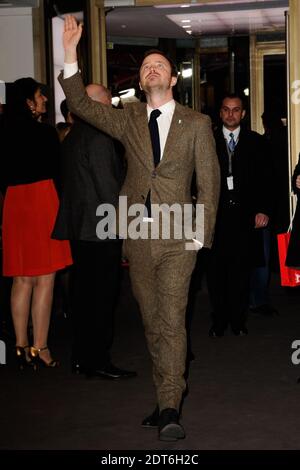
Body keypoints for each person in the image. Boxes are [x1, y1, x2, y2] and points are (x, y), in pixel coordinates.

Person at [59, 15, 220, 442]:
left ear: (173, 78)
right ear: (141, 78)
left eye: (159, 64)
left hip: (177, 236)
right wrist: (70, 54)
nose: (151, 68)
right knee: (151, 321)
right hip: (138, 234)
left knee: (171, 318)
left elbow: (209, 185)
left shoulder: (197, 124)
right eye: (146, 64)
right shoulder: (128, 118)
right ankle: (163, 396)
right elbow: (81, 105)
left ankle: (170, 404)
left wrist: (200, 234)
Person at [52, 83, 136, 381]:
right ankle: (98, 360)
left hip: (79, 228)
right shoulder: (100, 138)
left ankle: (81, 356)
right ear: (100, 106)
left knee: (82, 296)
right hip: (101, 229)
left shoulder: (72, 136)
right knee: (101, 297)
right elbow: (108, 190)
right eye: (109, 104)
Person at [0, 78, 72, 369]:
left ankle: (19, 347)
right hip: (43, 201)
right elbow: (58, 173)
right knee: (45, 279)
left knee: (21, 278)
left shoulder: (2, 132)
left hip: (15, 204)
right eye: (41, 96)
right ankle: (40, 347)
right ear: (29, 102)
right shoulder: (44, 134)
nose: (44, 100)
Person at [207, 93, 271, 337]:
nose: (231, 114)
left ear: (243, 114)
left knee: (241, 272)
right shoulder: (208, 141)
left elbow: (268, 179)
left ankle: (238, 320)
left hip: (246, 217)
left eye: (236, 110)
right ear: (220, 113)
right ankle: (219, 320)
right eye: (226, 110)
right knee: (216, 272)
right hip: (216, 217)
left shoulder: (256, 142)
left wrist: (264, 209)